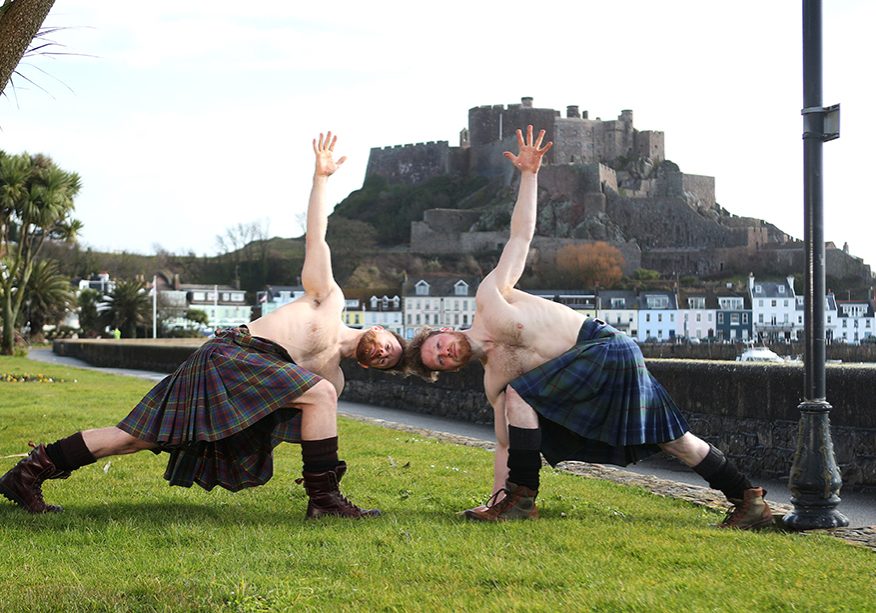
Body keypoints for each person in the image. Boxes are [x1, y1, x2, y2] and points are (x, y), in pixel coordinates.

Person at [0, 132, 404, 519]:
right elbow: (317, 238)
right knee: (318, 393)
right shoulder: (329, 300)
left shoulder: (331, 380)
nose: (385, 352)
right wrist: (320, 179)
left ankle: (27, 475)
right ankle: (326, 502)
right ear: (379, 329)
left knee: (134, 438)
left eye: (387, 361)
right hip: (231, 355)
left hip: (240, 385)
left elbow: (287, 419)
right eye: (390, 344)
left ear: (372, 365)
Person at [405, 125, 772, 530]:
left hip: (605, 347)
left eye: (438, 345)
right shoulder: (495, 382)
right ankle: (747, 499)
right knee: (673, 439)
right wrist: (492, 497)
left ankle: (521, 501)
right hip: (599, 373)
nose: (444, 353)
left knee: (519, 397)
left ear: (443, 330)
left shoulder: (490, 297)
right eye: (439, 361)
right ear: (450, 370)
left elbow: (520, 237)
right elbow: (505, 445)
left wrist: (529, 176)